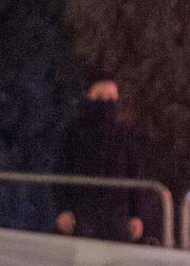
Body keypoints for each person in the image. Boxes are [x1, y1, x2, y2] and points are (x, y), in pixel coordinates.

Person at [54, 74, 151, 243]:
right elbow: (61, 169)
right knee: (86, 265)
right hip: (83, 213)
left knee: (117, 265)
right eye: (100, 97)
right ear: (90, 97)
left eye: (111, 97)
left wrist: (137, 214)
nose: (106, 102)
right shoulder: (74, 131)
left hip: (119, 214)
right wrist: (63, 209)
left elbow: (135, 174)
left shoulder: (126, 133)